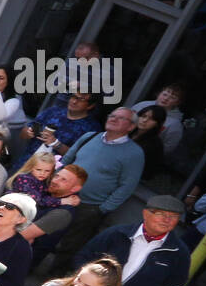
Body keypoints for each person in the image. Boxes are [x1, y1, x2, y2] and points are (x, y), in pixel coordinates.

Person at [76, 195, 191, 286]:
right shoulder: (117, 233)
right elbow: (83, 258)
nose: (167, 220)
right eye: (160, 214)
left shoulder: (179, 252)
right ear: (145, 213)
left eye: (173, 216)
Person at [52, 109, 147, 267]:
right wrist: (54, 183)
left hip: (89, 206)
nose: (114, 119)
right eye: (112, 115)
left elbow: (127, 186)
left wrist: (102, 209)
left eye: (121, 118)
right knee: (46, 232)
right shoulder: (90, 137)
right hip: (61, 195)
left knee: (69, 246)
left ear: (131, 127)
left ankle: (53, 281)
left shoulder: (134, 154)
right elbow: (67, 160)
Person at [19, 91, 101, 160]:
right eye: (74, 97)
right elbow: (22, 134)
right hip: (26, 161)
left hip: (51, 172)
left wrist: (56, 143)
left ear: (90, 106)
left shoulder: (91, 128)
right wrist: (28, 132)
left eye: (81, 100)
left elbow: (81, 157)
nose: (74, 101)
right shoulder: (53, 111)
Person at [130, 104, 169, 179]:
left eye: (151, 119)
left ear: (157, 124)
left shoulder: (154, 145)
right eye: (143, 116)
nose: (144, 120)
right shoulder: (127, 131)